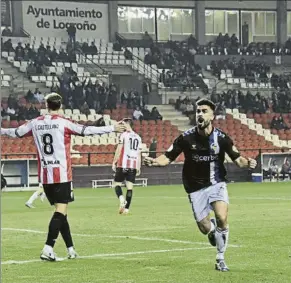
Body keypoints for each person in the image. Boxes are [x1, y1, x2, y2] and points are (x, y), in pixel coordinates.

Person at [1, 92, 126, 261]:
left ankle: (71, 249)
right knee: (61, 212)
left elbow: (15, 132)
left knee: (62, 213)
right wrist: (112, 128)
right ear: (60, 106)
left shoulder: (35, 123)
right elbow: (87, 130)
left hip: (45, 175)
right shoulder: (64, 123)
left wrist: (1, 130)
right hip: (62, 174)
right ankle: (48, 248)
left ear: (46, 106)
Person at [144, 98, 257, 272]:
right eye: (198, 111)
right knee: (204, 228)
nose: (200, 114)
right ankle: (212, 230)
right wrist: (154, 162)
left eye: (204, 111)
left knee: (222, 217)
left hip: (216, 183)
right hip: (195, 187)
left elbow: (238, 159)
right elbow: (168, 156)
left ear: (212, 115)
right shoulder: (185, 138)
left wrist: (248, 163)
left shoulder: (222, 139)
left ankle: (220, 258)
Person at [112, 118, 142, 215]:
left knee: (116, 184)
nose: (123, 125)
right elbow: (139, 154)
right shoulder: (138, 137)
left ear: (128, 125)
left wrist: (114, 161)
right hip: (133, 165)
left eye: (124, 124)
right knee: (130, 188)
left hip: (123, 164)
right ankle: (126, 209)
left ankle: (121, 200)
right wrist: (138, 167)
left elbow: (119, 148)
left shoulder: (124, 135)